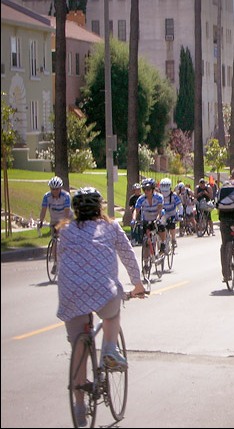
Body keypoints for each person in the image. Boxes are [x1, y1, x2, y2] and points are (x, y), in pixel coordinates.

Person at [56, 187, 145, 427]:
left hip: (70, 293)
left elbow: (60, 261)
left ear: (75, 211)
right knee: (112, 311)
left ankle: (79, 404)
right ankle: (109, 349)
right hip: (102, 291)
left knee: (78, 348)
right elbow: (127, 255)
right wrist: (137, 285)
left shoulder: (65, 231)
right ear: (100, 209)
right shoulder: (111, 227)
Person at [38, 176, 72, 274]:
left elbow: (66, 212)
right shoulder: (47, 197)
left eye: (57, 189)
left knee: (66, 237)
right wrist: (41, 221)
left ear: (60, 188)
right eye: (53, 189)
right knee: (55, 240)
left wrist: (64, 223)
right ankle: (56, 263)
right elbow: (43, 210)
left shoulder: (66, 196)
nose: (55, 191)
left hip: (66, 217)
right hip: (54, 219)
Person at [133, 178, 165, 253]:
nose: (146, 191)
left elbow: (159, 209)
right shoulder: (141, 199)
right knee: (146, 241)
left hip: (156, 216)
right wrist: (133, 219)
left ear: (153, 189)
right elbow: (136, 210)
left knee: (161, 227)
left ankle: (163, 243)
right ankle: (146, 262)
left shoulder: (159, 197)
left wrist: (157, 218)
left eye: (148, 189)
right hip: (146, 218)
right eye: (144, 189)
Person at [159, 178, 182, 249]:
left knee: (172, 225)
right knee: (162, 226)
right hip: (163, 214)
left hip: (172, 213)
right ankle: (164, 240)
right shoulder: (159, 196)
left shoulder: (173, 196)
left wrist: (180, 215)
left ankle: (173, 239)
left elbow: (180, 206)